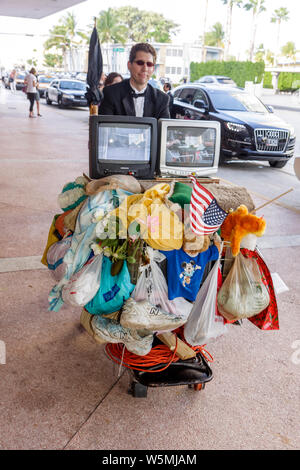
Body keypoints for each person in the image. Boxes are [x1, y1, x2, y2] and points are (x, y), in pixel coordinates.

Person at [99, 43, 170, 119]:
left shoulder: (162, 99)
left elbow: (163, 130)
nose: (145, 69)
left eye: (149, 64)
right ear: (129, 65)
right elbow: (105, 128)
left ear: (153, 69)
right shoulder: (111, 93)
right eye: (140, 63)